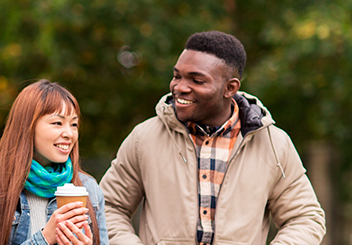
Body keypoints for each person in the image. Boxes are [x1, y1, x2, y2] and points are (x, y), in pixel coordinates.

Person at [99, 31, 326, 244]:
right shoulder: (144, 138)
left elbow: (305, 218)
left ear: (230, 88)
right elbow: (108, 207)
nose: (180, 87)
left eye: (197, 81)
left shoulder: (274, 144)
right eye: (177, 76)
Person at [0, 80, 107, 245]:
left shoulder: (90, 190)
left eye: (74, 124)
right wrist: (44, 238)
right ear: (27, 127)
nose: (69, 133)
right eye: (57, 123)